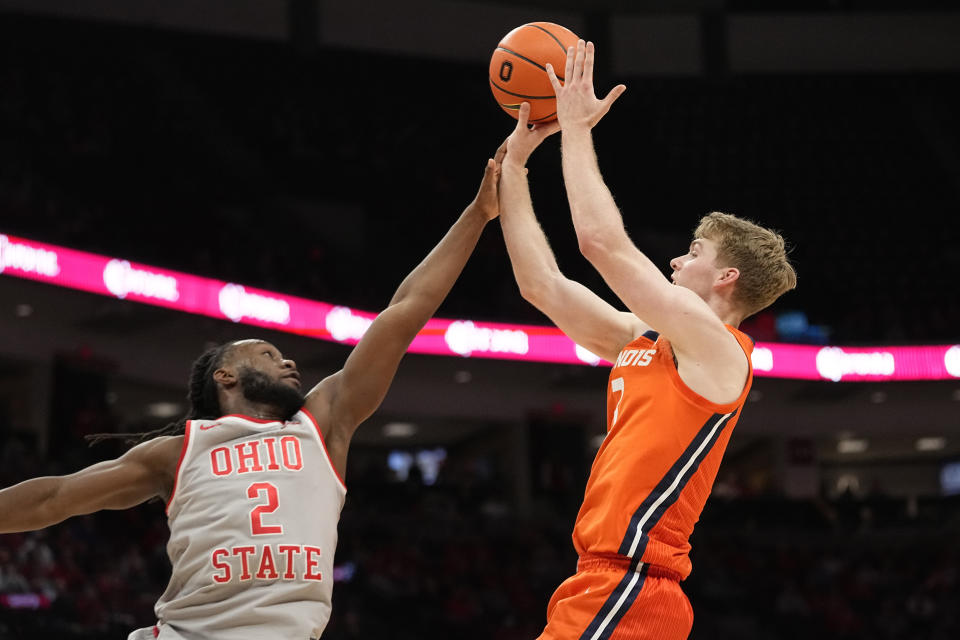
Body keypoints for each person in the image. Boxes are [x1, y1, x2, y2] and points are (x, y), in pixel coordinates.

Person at [0, 148, 507, 640]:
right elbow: (55, 498)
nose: (287, 361)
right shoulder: (179, 452)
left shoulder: (324, 421)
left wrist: (479, 213)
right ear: (224, 376)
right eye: (267, 353)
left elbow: (407, 309)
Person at [497, 41, 796, 639]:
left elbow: (600, 245)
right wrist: (513, 170)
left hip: (635, 586)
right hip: (600, 582)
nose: (677, 259)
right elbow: (542, 286)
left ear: (726, 277)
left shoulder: (719, 353)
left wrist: (577, 128)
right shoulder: (646, 337)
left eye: (694, 253)